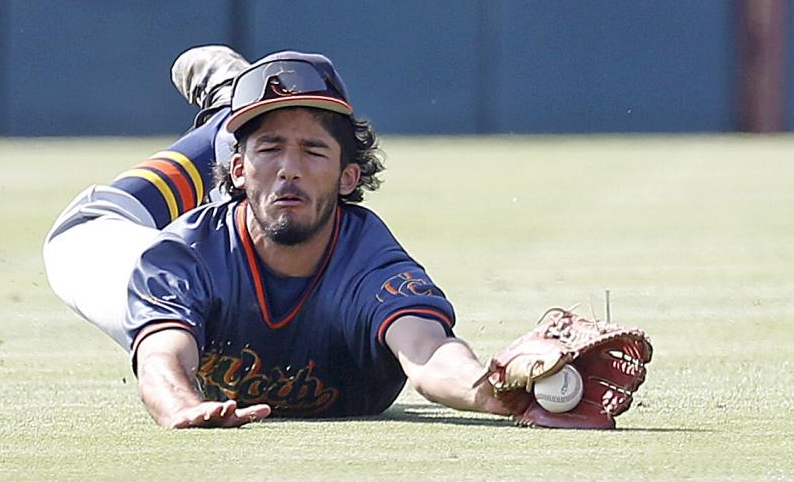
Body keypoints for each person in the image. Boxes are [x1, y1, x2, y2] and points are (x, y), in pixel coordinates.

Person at [43, 45, 513, 428]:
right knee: (79, 233)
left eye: (314, 151)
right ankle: (226, 118)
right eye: (271, 149)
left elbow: (429, 355)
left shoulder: (369, 264)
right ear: (239, 172)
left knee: (269, 165)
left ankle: (238, 110)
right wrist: (180, 405)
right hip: (174, 238)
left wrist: (497, 391)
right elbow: (162, 358)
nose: (291, 168)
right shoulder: (187, 256)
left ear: (349, 178)